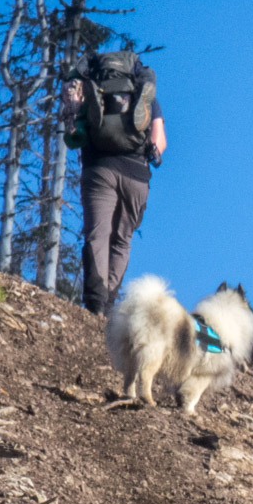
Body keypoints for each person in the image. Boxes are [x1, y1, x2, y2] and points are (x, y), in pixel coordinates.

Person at [64, 55, 166, 315]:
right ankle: (108, 304)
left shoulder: (89, 88)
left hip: (99, 169)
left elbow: (74, 125)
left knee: (97, 234)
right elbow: (159, 141)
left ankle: (95, 305)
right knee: (122, 240)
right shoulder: (145, 95)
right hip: (136, 175)